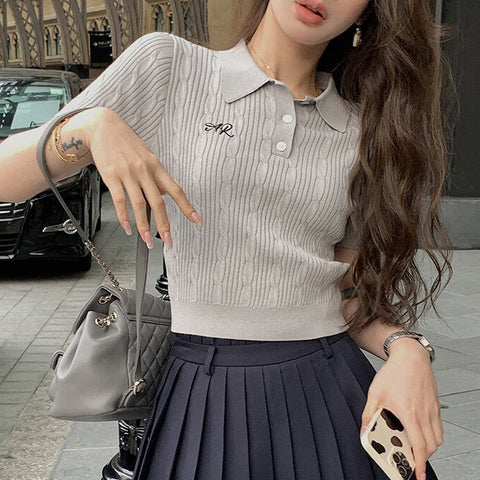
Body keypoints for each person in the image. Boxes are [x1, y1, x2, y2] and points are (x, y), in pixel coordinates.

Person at [0, 0, 454, 479]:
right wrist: (90, 127)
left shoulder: (362, 131)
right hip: (203, 391)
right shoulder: (171, 67)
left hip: (331, 391)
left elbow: (346, 294)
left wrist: (407, 348)